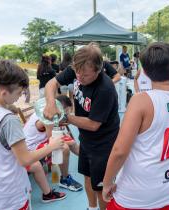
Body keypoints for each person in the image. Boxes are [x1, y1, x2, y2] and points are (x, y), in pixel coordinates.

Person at [102, 42, 169, 210]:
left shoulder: (141, 101)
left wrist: (106, 183)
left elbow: (120, 151)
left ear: (145, 71)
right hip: (168, 187)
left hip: (136, 190)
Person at [0, 60, 64, 210]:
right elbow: (25, 160)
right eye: (18, 93)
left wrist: (9, 106)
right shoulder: (8, 121)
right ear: (3, 93)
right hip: (11, 194)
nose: (20, 97)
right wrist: (52, 146)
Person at [43, 43, 120, 210]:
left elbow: (93, 125)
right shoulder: (78, 68)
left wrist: (67, 117)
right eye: (76, 72)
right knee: (87, 175)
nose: (79, 77)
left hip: (104, 143)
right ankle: (91, 208)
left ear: (98, 70)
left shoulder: (105, 89)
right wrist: (51, 103)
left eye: (85, 75)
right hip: (86, 137)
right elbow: (51, 84)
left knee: (100, 187)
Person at [23, 95, 83, 193]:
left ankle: (91, 159)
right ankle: (64, 179)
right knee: (64, 148)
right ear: (59, 109)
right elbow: (52, 141)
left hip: (40, 142)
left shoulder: (48, 112)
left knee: (70, 142)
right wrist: (68, 140)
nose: (65, 116)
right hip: (30, 149)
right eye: (65, 113)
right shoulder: (48, 119)